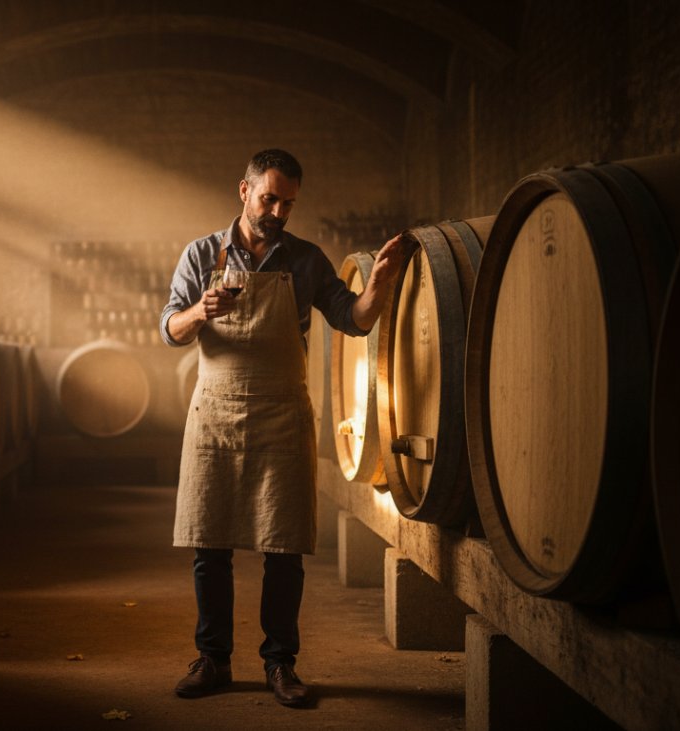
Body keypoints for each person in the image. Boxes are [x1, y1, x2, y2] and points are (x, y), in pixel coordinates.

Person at [159, 148, 410, 707]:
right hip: (217, 412)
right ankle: (214, 659)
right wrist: (201, 311)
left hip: (280, 411)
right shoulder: (202, 254)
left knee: (284, 547)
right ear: (243, 191)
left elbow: (354, 320)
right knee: (210, 544)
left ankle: (280, 664)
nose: (277, 211)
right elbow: (170, 329)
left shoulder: (305, 260)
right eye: (269, 198)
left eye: (287, 203)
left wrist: (381, 284)